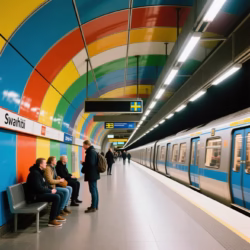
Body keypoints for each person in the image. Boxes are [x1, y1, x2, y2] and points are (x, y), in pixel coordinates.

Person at [26, 158, 66, 227]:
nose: (46, 164)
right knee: (56, 197)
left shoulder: (39, 172)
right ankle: (51, 220)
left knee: (60, 194)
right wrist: (50, 191)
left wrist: (51, 189)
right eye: (44, 163)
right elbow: (38, 188)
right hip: (34, 196)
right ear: (40, 164)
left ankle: (56, 215)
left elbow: (45, 184)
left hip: (39, 193)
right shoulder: (35, 173)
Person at [81, 140, 100, 213]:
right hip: (94, 174)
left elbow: (91, 164)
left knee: (93, 190)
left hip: (92, 174)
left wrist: (84, 164)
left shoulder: (90, 152)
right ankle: (95, 205)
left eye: (83, 145)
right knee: (95, 189)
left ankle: (93, 207)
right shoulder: (93, 151)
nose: (83, 147)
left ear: (87, 145)